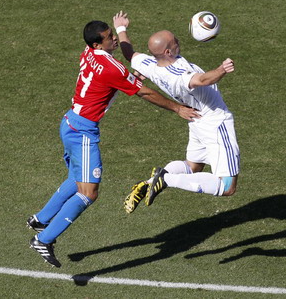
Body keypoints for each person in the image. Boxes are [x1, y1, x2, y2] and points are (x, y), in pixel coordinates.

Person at [26, 19, 200, 268]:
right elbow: (143, 92)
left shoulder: (89, 53)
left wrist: (128, 58)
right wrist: (177, 108)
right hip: (82, 133)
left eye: (112, 34)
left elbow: (117, 77)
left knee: (77, 178)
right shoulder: (111, 67)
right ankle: (43, 239)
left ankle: (40, 219)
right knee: (89, 192)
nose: (114, 39)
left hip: (70, 122)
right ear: (98, 43)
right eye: (109, 37)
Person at [113, 11, 240, 213]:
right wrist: (222, 69)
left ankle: (147, 183)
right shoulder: (179, 76)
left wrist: (121, 28)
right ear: (168, 53)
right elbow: (203, 80)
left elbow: (129, 54)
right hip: (215, 122)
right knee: (227, 186)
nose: (179, 41)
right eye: (174, 42)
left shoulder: (150, 64)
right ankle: (166, 178)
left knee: (193, 166)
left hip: (195, 120)